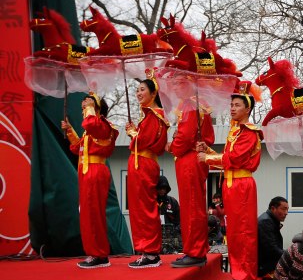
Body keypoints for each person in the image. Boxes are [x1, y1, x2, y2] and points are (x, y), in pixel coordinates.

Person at [199, 80, 263, 280]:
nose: (232, 108)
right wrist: (208, 150)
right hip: (231, 184)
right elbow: (228, 159)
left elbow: (234, 158)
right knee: (234, 233)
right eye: (231, 104)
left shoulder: (249, 132)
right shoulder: (235, 131)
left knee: (244, 232)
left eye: (237, 105)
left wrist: (207, 158)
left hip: (242, 185)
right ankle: (238, 275)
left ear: (247, 108)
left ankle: (245, 279)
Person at [62, 93, 118, 269]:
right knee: (88, 213)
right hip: (87, 172)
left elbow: (90, 122)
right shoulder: (92, 130)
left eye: (88, 104)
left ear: (97, 107)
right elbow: (78, 148)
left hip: (95, 171)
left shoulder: (103, 126)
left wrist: (89, 108)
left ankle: (100, 254)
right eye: (84, 106)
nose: (84, 107)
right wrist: (70, 130)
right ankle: (95, 252)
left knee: (94, 213)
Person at [169, 73, 215, 268]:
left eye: (180, 83)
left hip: (189, 159)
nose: (175, 88)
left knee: (192, 206)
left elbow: (185, 136)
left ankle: (195, 250)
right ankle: (194, 249)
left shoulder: (191, 105)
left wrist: (172, 145)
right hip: (190, 159)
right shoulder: (195, 104)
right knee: (191, 205)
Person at [125, 76, 169, 268]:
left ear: (153, 93)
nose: (138, 93)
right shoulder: (148, 115)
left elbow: (146, 140)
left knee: (144, 206)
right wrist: (135, 132)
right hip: (139, 161)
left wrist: (134, 134)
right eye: (137, 90)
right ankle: (146, 250)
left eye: (143, 89)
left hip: (143, 162)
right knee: (138, 206)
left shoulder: (154, 115)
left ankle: (150, 252)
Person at [258, 196, 289, 277]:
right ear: (273, 208)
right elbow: (272, 249)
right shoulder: (266, 221)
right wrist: (289, 255)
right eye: (283, 209)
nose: (286, 213)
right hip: (265, 267)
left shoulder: (270, 220)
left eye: (287, 209)